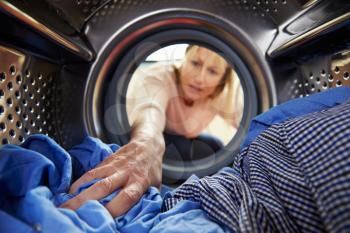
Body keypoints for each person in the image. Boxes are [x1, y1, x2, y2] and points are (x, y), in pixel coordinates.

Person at [61, 45, 244, 217]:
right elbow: (150, 110)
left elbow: (252, 118)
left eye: (212, 71)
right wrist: (146, 143)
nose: (200, 78)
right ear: (185, 58)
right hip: (149, 137)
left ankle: (191, 187)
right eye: (195, 63)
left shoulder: (219, 95)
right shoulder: (163, 76)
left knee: (215, 147)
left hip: (181, 148)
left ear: (222, 80)